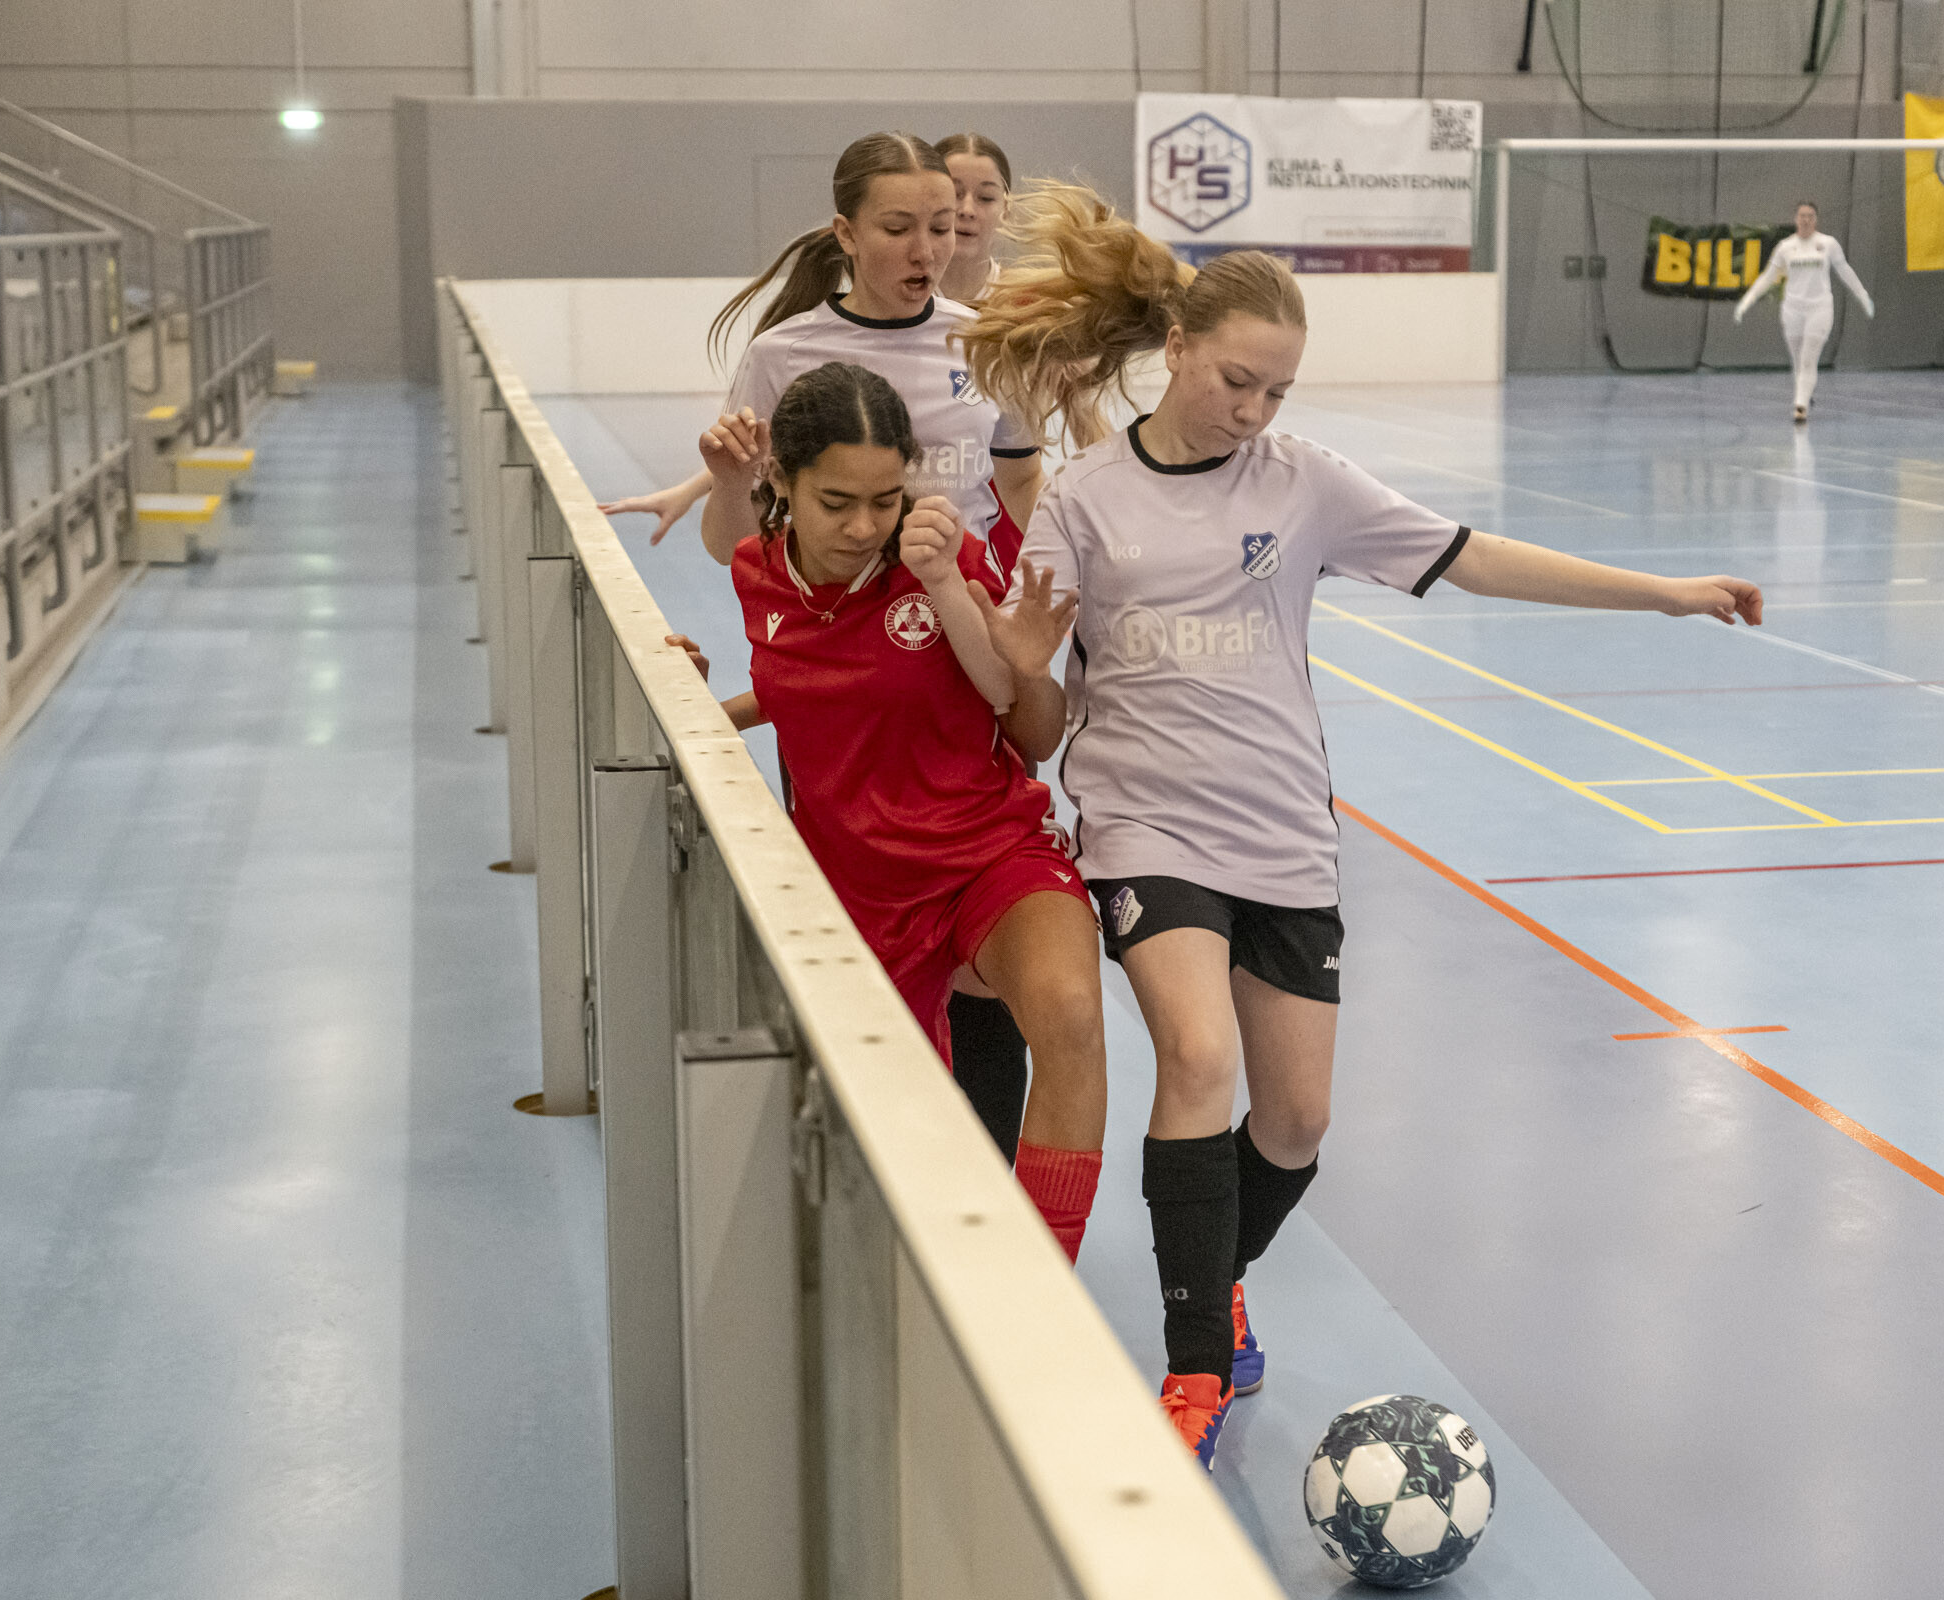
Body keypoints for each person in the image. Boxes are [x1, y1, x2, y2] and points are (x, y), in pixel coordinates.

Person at [960, 183, 1766, 1466]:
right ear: (1178, 347)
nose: (1254, 411)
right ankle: (1193, 1371)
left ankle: (1214, 1273)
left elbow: (1476, 556)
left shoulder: (1305, 484)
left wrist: (1663, 594)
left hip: (1282, 831)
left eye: (1277, 392)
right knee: (1198, 1059)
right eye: (1236, 381)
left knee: (1296, 1123)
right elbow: (1041, 719)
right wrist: (1020, 659)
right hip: (1144, 827)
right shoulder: (1085, 500)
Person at [597, 131, 1046, 1161]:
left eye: (942, 227)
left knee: (984, 942)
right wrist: (719, 484)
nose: (926, 248)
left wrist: (1049, 579)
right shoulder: (782, 355)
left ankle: (980, 1179)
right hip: (840, 693)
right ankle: (877, 1154)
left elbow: (1019, 478)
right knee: (867, 931)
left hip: (960, 665)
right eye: (898, 228)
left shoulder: (987, 345)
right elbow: (740, 541)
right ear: (845, 233)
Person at [668, 361, 1106, 1259]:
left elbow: (1029, 730)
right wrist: (690, 705)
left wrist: (990, 630)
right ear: (784, 484)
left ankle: (1037, 1277)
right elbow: (811, 683)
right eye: (836, 503)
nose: (864, 526)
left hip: (989, 855)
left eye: (883, 498)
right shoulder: (759, 574)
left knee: (1069, 1015)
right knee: (893, 1156)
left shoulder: (944, 559)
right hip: (857, 897)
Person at [1733, 202, 1874, 424]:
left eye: (1810, 215)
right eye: (1802, 215)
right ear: (1796, 218)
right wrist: (1746, 301)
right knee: (1798, 361)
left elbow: (1844, 270)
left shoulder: (1828, 244)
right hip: (1792, 310)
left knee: (1809, 359)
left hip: (1820, 308)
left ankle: (1800, 407)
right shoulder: (1785, 247)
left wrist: (1863, 295)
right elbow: (1768, 277)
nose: (1806, 219)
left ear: (1816, 219)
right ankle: (1806, 392)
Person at [936, 131, 1013, 304]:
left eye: (985, 198)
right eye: (954, 193)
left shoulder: (1033, 305)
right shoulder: (889, 299)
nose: (967, 210)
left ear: (1006, 209)